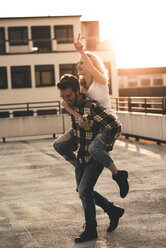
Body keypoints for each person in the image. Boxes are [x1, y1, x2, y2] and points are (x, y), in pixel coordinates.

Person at [54, 34, 129, 198]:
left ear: (90, 64)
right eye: (78, 62)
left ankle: (118, 174)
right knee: (59, 145)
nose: (79, 64)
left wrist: (82, 51)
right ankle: (78, 167)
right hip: (91, 124)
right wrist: (76, 115)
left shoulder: (100, 80)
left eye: (83, 62)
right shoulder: (81, 85)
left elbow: (92, 68)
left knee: (94, 149)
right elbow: (65, 103)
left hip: (106, 123)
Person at [56, 74, 125, 243]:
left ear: (77, 91)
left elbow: (115, 125)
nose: (66, 100)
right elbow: (77, 129)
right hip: (81, 156)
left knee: (84, 191)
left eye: (69, 96)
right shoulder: (73, 108)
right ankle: (112, 210)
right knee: (81, 190)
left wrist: (104, 148)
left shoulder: (91, 107)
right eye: (63, 96)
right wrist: (73, 144)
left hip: (94, 158)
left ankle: (91, 230)